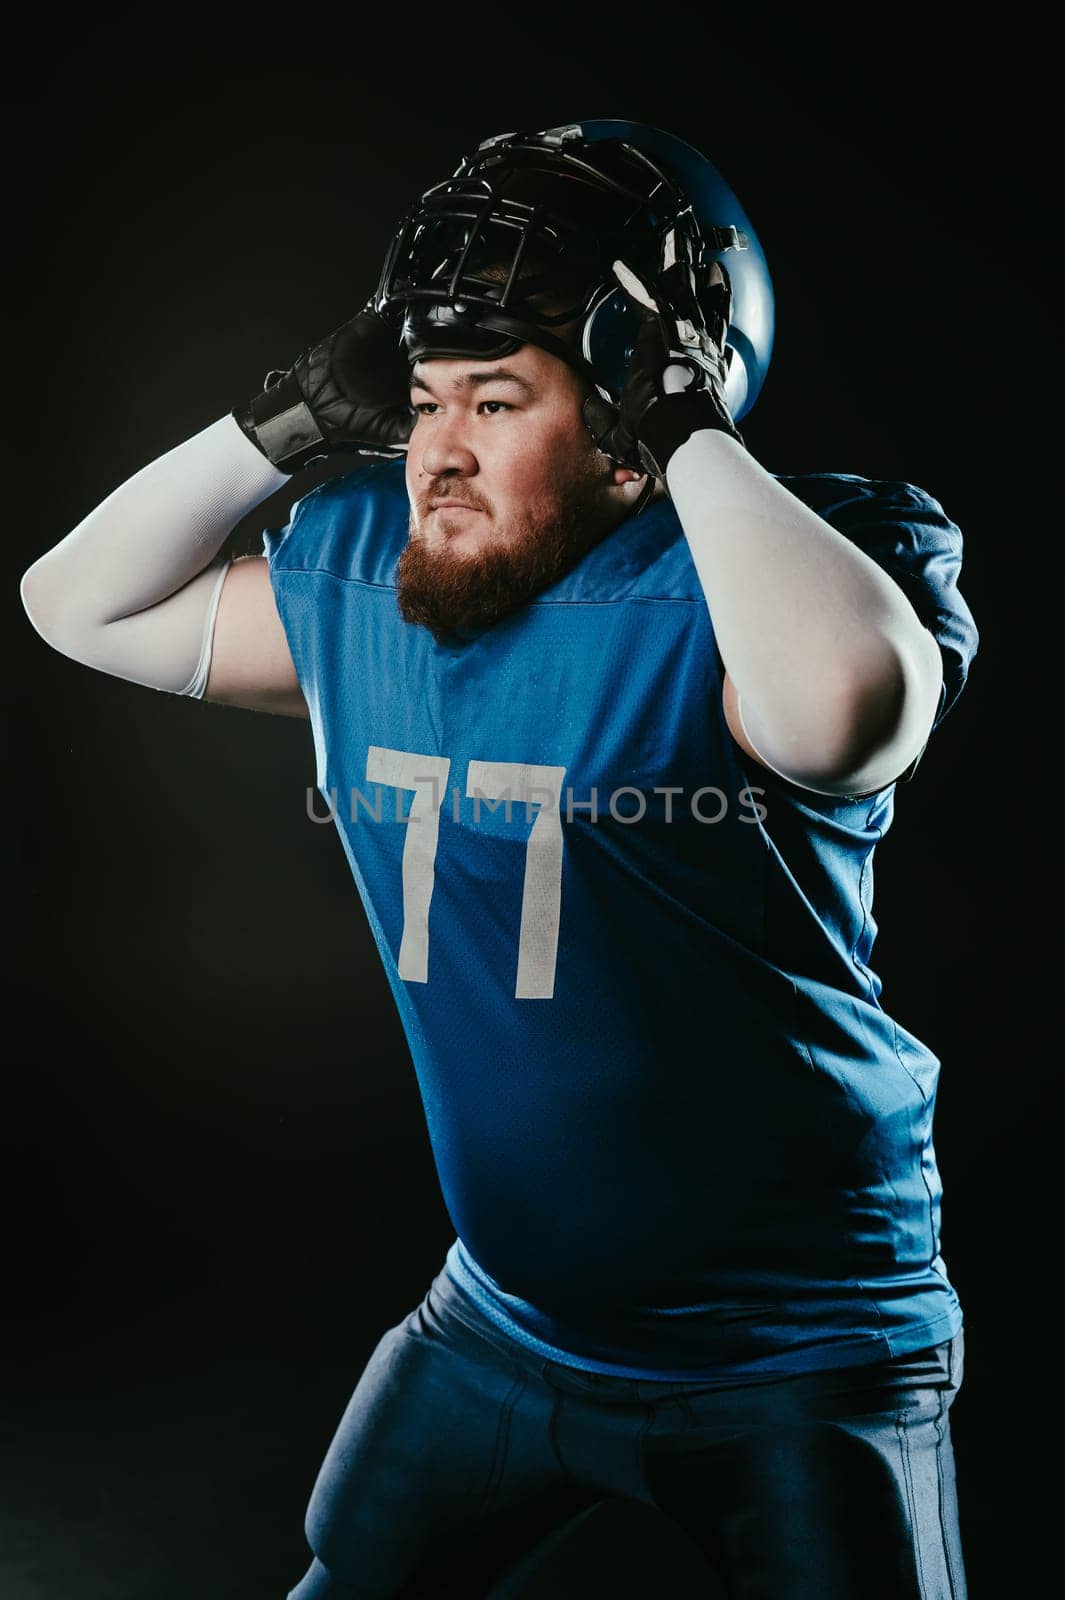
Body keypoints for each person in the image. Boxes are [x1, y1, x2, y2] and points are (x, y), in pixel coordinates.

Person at [19, 122, 978, 1599]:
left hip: (795, 1341)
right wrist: (272, 426)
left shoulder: (759, 590)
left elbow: (842, 714)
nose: (436, 450)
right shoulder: (375, 583)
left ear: (623, 427)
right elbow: (72, 605)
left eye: (497, 399)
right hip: (505, 1319)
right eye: (419, 401)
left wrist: (696, 430)